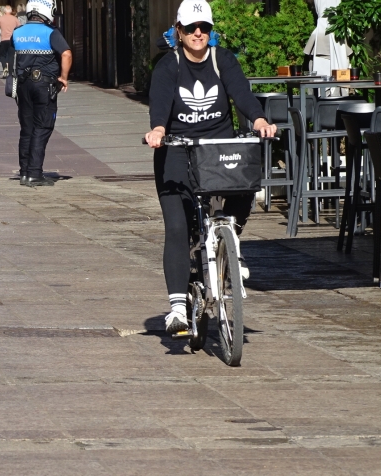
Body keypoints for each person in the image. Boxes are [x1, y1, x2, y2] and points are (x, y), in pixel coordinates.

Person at [144, 0, 276, 334]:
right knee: (177, 225)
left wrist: (259, 119)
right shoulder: (168, 66)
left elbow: (242, 95)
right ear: (179, 31)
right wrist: (158, 129)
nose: (198, 33)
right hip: (177, 149)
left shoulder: (223, 60)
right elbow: (159, 105)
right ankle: (177, 306)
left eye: (204, 27)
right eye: (190, 28)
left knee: (245, 182)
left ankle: (231, 246)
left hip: (217, 150)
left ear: (211, 30)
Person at [12, 0, 72, 187]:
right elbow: (67, 54)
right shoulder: (51, 32)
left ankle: (24, 172)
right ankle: (35, 173)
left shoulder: (18, 32)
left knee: (26, 128)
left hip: (23, 86)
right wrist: (63, 77)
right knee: (42, 127)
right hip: (43, 85)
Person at [0, 5, 21, 78]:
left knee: (3, 55)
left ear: (4, 11)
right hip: (12, 39)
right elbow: (19, 28)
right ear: (11, 11)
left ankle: (5, 67)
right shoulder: (15, 18)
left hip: (3, 39)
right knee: (11, 56)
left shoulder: (0, 18)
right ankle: (10, 72)